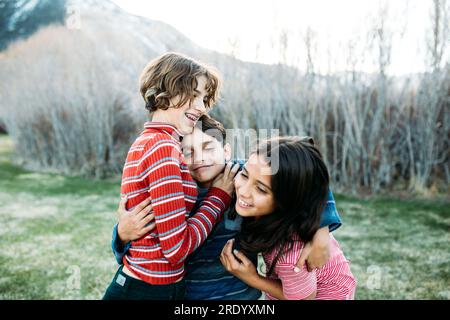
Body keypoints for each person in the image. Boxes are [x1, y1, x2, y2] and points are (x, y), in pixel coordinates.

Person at [112, 116, 344, 300]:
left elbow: (307, 179)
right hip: (187, 295)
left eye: (207, 147)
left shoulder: (244, 176)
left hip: (241, 295)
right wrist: (121, 236)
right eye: (187, 151)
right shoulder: (171, 191)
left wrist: (322, 232)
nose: (199, 158)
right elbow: (146, 243)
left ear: (226, 151)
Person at [103, 52, 238, 300]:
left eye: (204, 98)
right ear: (167, 90)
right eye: (194, 95)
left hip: (153, 286)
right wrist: (219, 196)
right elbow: (177, 249)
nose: (202, 107)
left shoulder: (157, 142)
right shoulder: (162, 148)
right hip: (145, 291)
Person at [220, 137, 357, 300]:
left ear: (286, 200)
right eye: (244, 175)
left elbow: (305, 298)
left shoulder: (291, 254)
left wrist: (252, 278)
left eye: (261, 190)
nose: (244, 191)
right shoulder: (262, 170)